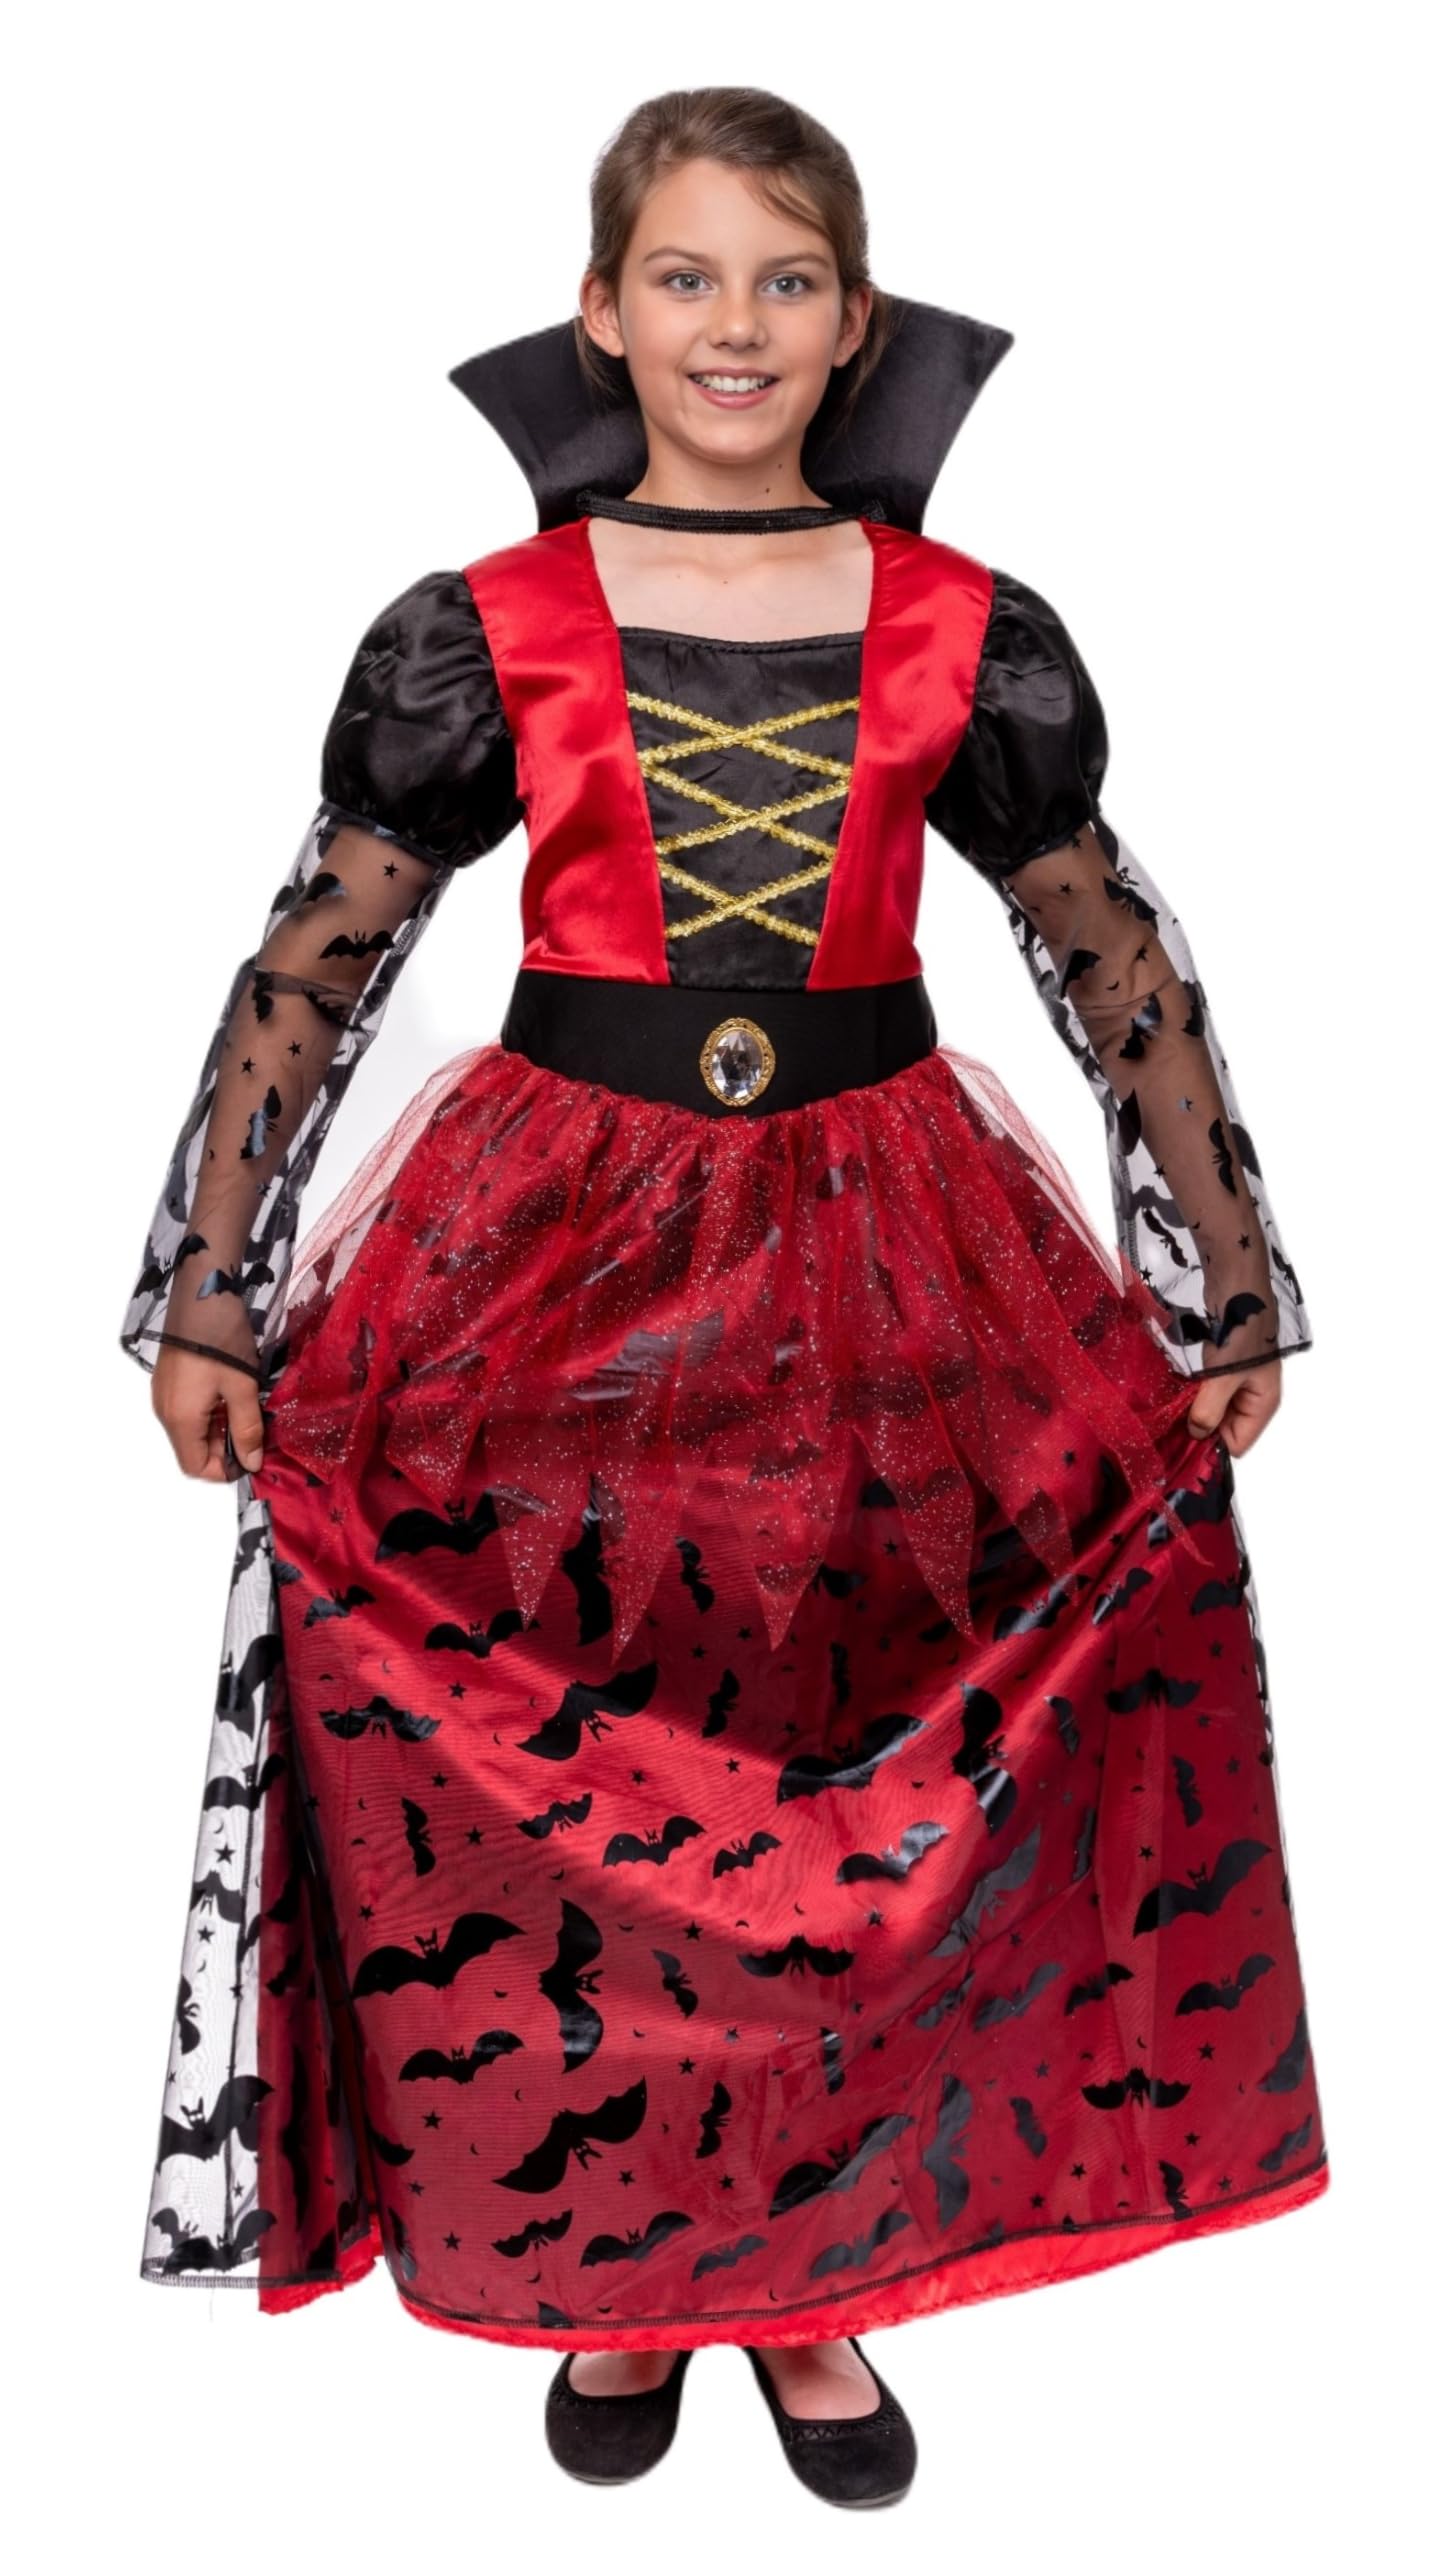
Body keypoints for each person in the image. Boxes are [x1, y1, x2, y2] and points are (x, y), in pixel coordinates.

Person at [120, 86, 1328, 2510]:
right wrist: (218, 1285)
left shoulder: (964, 627)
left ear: (852, 322)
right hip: (552, 1265)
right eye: (685, 277)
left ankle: (809, 2281)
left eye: (785, 282)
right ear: (604, 313)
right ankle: (628, 2260)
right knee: (596, 1777)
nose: (735, 325)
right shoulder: (490, 626)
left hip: (889, 1257)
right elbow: (324, 952)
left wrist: (1223, 1267)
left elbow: (1100, 941)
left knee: (836, 1778)